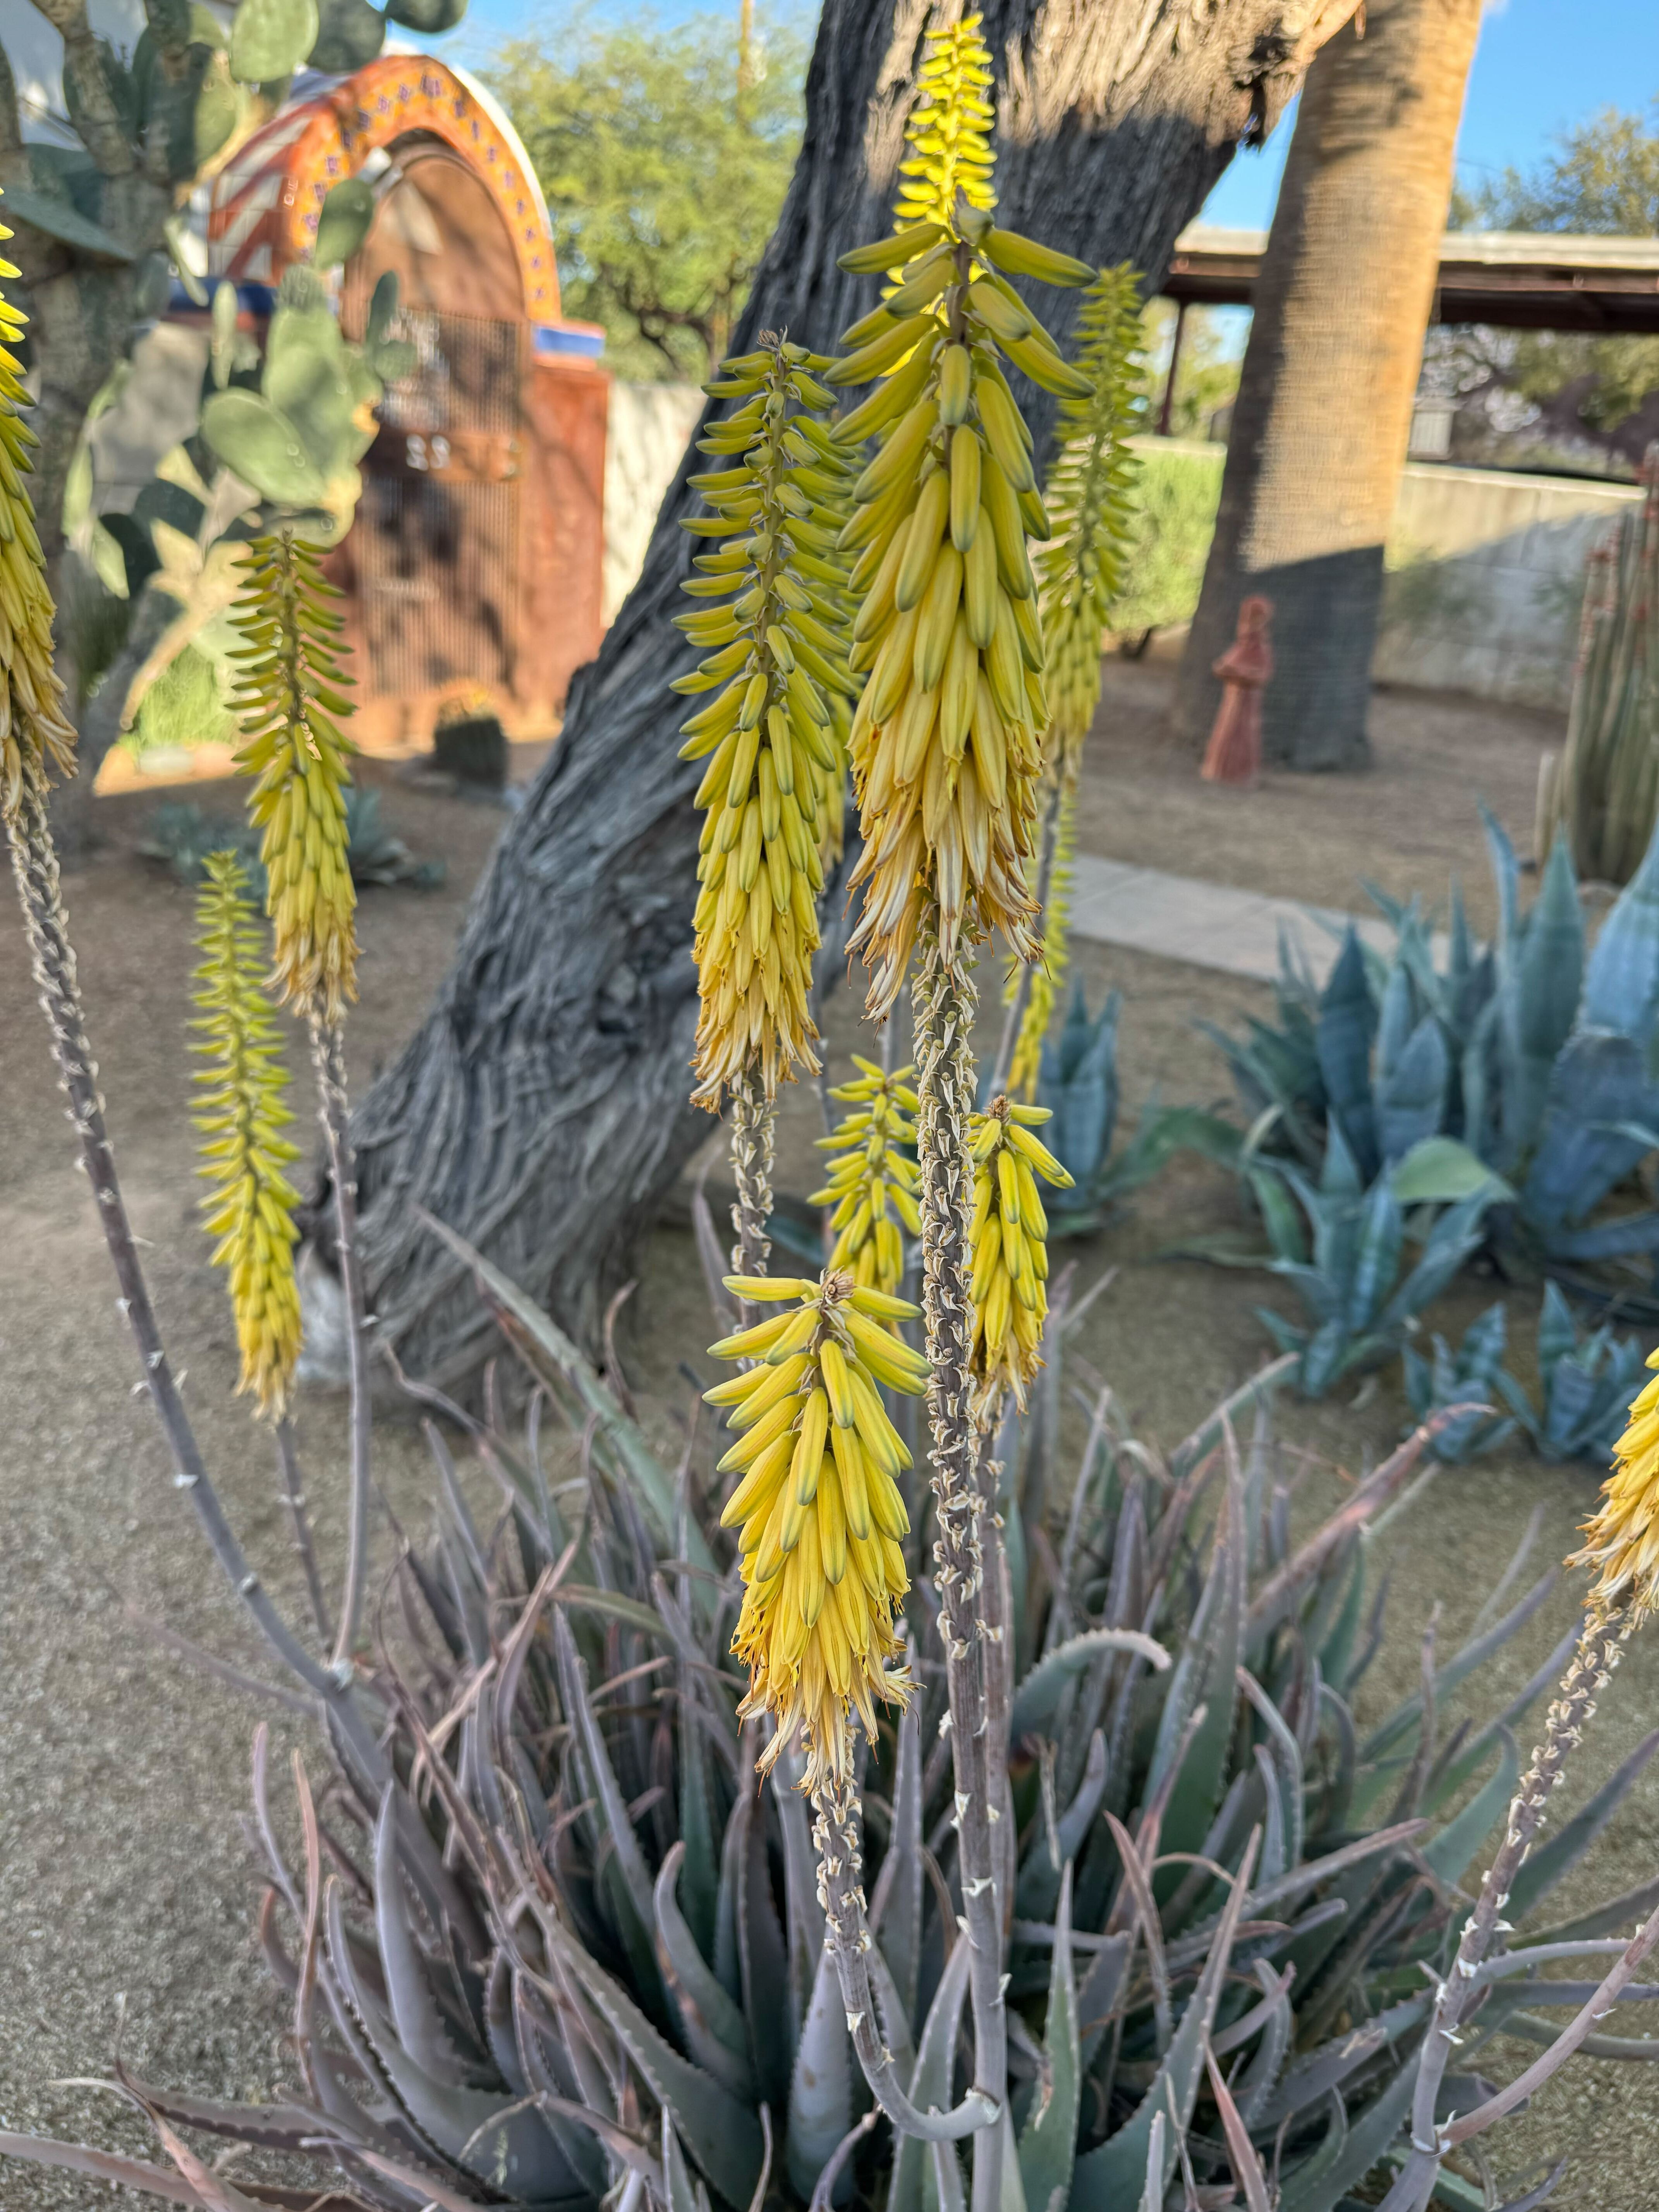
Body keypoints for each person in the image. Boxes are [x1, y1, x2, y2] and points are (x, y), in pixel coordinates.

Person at [1200, 594, 1273, 787]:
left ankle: (1241, 772)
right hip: (1233, 700)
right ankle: (1222, 769)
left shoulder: (1261, 650)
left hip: (1247, 703)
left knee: (1244, 738)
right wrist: (1228, 670)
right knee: (1227, 734)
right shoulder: (1242, 648)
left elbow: (1262, 675)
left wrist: (1240, 673)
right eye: (1247, 620)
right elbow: (1221, 666)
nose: (1249, 626)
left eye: (1254, 620)